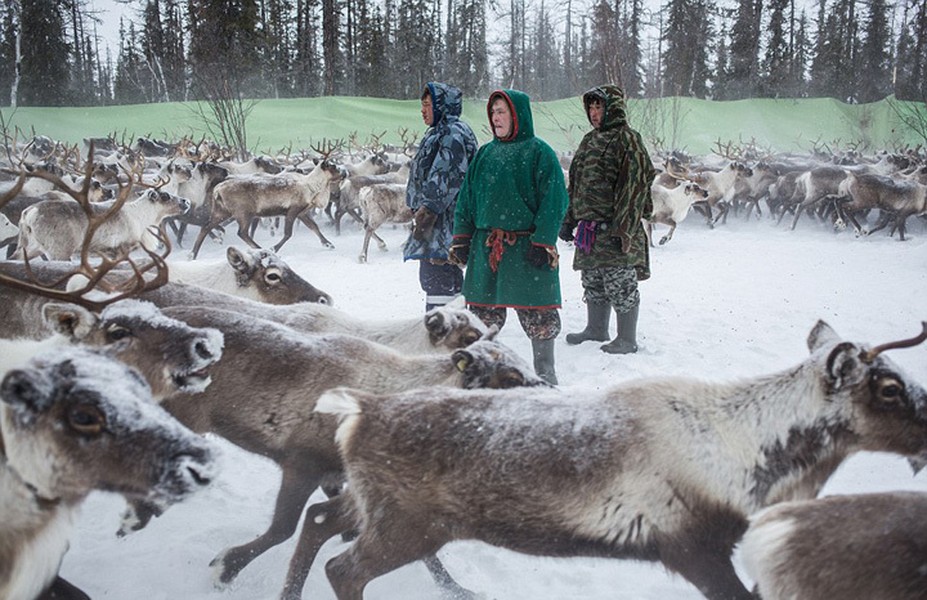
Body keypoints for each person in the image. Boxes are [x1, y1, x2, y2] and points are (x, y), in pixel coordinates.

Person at [449, 89, 568, 385]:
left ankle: (545, 376)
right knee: (480, 319)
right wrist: (462, 238)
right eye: (493, 112)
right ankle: (483, 376)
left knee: (540, 317)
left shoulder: (539, 152)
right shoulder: (485, 154)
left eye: (502, 111)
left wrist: (543, 241)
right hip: (487, 247)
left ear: (518, 115)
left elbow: (555, 200)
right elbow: (466, 199)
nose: (496, 117)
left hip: (527, 248)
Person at [560, 84, 655, 354]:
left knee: (621, 284)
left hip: (615, 229)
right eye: (590, 107)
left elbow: (634, 186)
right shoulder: (589, 140)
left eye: (599, 106)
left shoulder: (628, 139)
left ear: (612, 108)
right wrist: (569, 219)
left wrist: (623, 229)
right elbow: (576, 183)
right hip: (589, 231)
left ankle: (626, 338)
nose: (593, 112)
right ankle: (596, 329)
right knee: (593, 281)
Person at [403, 82, 478, 312]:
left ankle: (439, 332)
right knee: (447, 274)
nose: (423, 110)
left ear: (441, 105)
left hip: (442, 223)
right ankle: (455, 326)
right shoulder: (440, 131)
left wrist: (425, 215)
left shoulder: (451, 133)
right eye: (422, 105)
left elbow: (443, 178)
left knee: (436, 276)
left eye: (427, 105)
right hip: (443, 222)